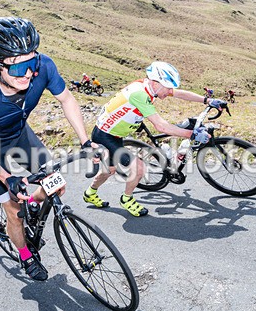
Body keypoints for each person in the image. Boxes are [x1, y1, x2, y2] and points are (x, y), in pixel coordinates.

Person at [0, 17, 95, 281]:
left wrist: (85, 141)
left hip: (21, 136)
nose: (27, 74)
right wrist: (7, 178)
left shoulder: (43, 67)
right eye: (18, 67)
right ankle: (25, 254)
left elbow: (67, 99)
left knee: (55, 183)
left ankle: (33, 203)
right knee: (14, 211)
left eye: (31, 63)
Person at [83, 61, 225, 217]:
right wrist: (192, 135)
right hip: (105, 135)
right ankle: (126, 199)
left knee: (110, 170)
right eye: (168, 87)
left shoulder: (150, 87)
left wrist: (207, 100)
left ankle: (90, 193)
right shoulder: (140, 94)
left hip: (117, 132)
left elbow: (179, 93)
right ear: (156, 82)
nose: (170, 91)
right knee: (138, 168)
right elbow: (161, 126)